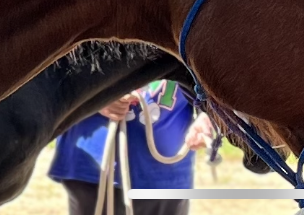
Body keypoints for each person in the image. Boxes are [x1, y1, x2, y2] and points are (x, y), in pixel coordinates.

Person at [49, 80, 215, 215]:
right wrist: (96, 98)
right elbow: (55, 70)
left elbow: (214, 78)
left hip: (166, 176)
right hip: (92, 170)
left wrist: (209, 117)